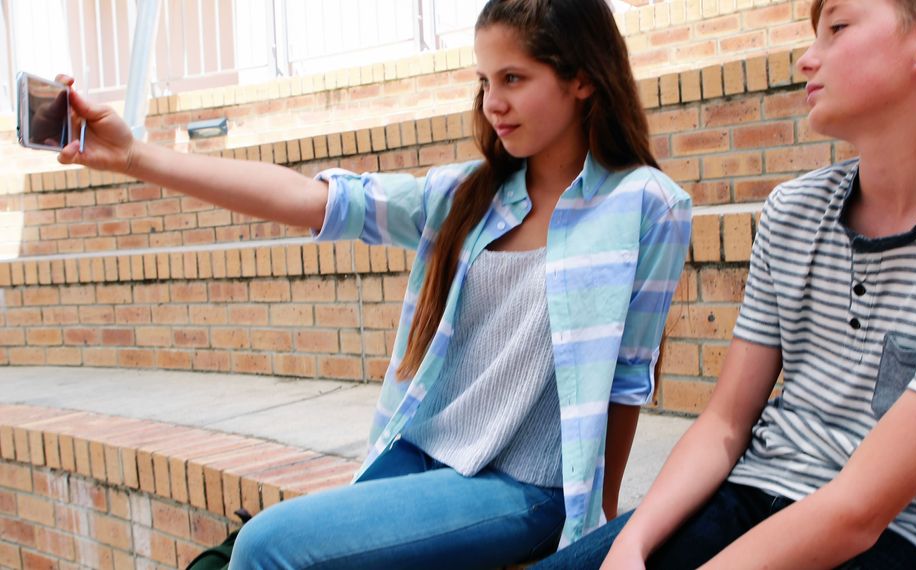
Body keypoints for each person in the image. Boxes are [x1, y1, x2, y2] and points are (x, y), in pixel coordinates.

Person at [56, 0, 691, 567]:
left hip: (522, 489)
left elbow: (629, 376)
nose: (492, 102)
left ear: (582, 78)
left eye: (514, 79)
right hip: (417, 459)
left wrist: (592, 537)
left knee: (266, 546)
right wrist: (136, 157)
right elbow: (312, 200)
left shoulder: (646, 206)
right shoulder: (468, 197)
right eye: (484, 81)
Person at [535, 1, 916, 569]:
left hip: (902, 535)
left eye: (837, 28)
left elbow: (859, 510)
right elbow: (725, 421)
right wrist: (631, 543)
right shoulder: (794, 211)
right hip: (753, 491)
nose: (805, 59)